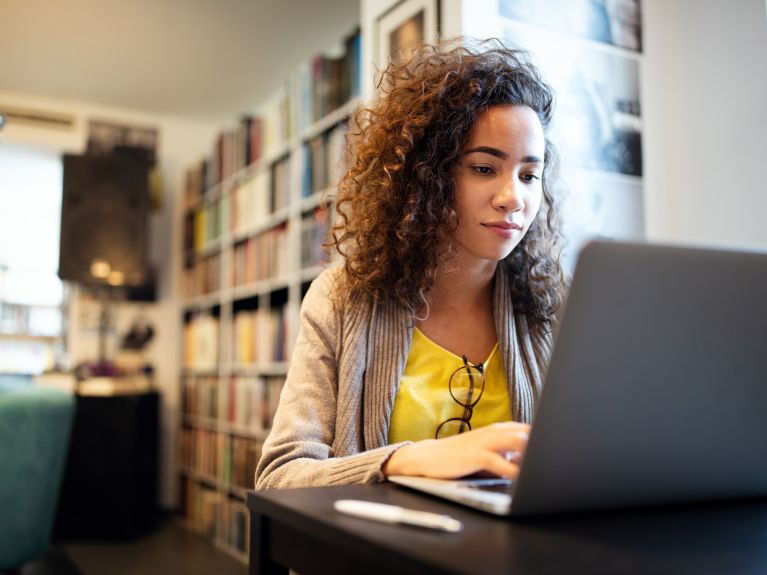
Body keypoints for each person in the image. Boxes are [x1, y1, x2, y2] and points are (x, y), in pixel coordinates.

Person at [255, 38, 566, 490]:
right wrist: (410, 460)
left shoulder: (555, 307)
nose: (513, 198)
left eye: (528, 175)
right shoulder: (341, 298)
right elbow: (279, 476)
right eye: (484, 168)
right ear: (428, 175)